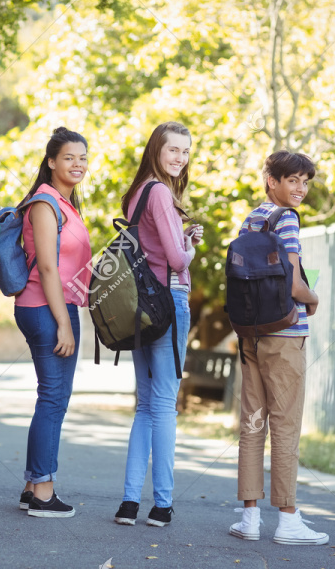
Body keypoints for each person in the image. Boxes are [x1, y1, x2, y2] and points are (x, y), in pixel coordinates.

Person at [229, 151, 327, 545]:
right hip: (285, 336)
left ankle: (249, 518)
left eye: (305, 181)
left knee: (253, 424)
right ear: (271, 179)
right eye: (292, 180)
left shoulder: (251, 218)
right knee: (285, 425)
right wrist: (313, 297)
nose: (300, 189)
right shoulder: (286, 219)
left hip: (251, 333)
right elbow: (291, 282)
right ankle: (288, 519)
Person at [113, 121, 200, 528]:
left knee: (145, 405)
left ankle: (129, 502)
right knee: (165, 404)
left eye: (186, 151)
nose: (180, 158)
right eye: (173, 150)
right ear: (156, 150)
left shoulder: (137, 193)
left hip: (138, 308)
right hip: (168, 302)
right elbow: (177, 261)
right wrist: (190, 245)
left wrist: (179, 236)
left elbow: (147, 248)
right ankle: (162, 504)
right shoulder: (162, 192)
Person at [15, 127, 92, 518]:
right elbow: (47, 266)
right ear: (51, 161)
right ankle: (44, 493)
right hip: (47, 308)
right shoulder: (45, 203)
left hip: (53, 307)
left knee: (50, 397)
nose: (77, 164)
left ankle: (32, 485)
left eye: (82, 158)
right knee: (54, 398)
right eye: (68, 158)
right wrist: (64, 322)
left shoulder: (65, 203)